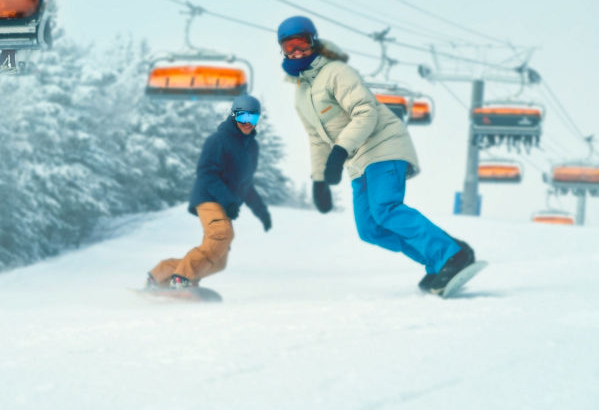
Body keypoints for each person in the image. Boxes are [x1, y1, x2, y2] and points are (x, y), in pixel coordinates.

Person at [277, 16, 476, 295]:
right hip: (357, 159)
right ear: (283, 50)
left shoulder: (336, 72)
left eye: (302, 44)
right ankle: (437, 259)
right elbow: (316, 138)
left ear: (314, 43)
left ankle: (451, 255)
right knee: (369, 228)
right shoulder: (301, 93)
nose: (296, 52)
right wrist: (319, 179)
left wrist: (339, 151)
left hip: (382, 143)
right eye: (289, 47)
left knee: (385, 208)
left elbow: (365, 111)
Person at [147, 95, 272, 289]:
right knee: (221, 234)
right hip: (209, 197)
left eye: (253, 118)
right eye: (242, 117)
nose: (247, 123)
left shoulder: (251, 147)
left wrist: (262, 212)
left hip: (226, 203)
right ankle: (181, 278)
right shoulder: (219, 139)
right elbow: (206, 173)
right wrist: (228, 200)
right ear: (234, 116)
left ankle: (160, 275)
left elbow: (246, 184)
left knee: (219, 260)